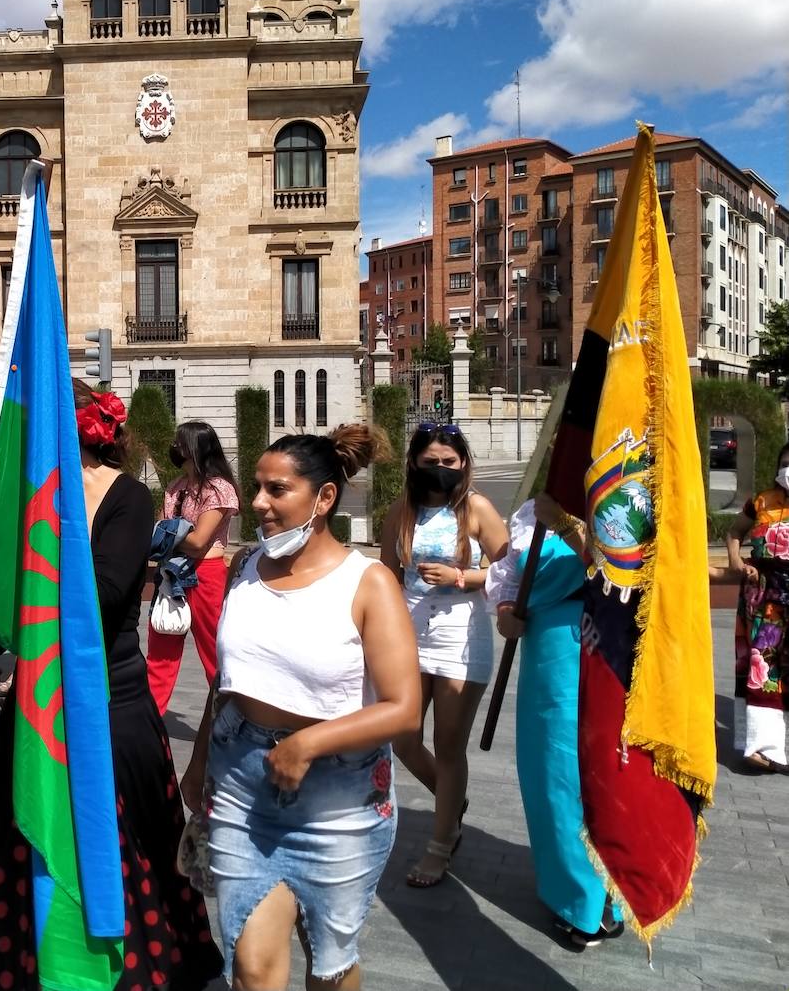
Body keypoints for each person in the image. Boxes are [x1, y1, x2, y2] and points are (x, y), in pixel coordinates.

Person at [0, 380, 223, 990]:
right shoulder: (20, 498)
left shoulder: (125, 498)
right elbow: (8, 601)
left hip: (109, 705)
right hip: (36, 705)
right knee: (24, 846)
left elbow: (103, 595)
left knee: (126, 848)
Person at [180, 426, 419, 990]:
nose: (258, 502)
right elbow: (228, 683)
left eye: (277, 489)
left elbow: (405, 708)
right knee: (251, 965)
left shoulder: (368, 584)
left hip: (339, 799)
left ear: (324, 498)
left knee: (330, 970)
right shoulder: (245, 569)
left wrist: (306, 744)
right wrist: (199, 765)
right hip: (240, 788)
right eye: (258, 487)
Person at [486, 495, 625, 947]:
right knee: (555, 771)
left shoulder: (621, 493)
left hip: (605, 644)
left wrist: (567, 524)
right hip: (549, 653)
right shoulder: (530, 510)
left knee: (606, 771)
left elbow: (621, 566)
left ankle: (611, 893)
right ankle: (577, 896)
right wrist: (507, 611)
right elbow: (508, 578)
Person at [379, 422, 507, 888]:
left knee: (450, 743)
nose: (440, 470)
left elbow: (506, 570)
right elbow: (388, 575)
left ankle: (440, 844)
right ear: (414, 464)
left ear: (464, 465)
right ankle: (452, 806)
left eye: (449, 463)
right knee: (403, 737)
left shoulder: (476, 508)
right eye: (431, 462)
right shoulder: (402, 511)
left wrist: (460, 577)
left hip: (460, 634)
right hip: (409, 632)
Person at [145, 420, 240, 713]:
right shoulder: (176, 486)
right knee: (161, 649)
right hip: (172, 572)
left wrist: (169, 536)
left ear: (197, 447)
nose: (175, 447)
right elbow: (164, 532)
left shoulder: (219, 488)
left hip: (205, 575)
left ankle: (227, 718)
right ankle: (149, 717)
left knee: (214, 649)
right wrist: (171, 536)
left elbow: (198, 542)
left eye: (181, 442)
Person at [724, 443, 789, 772]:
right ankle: (764, 749)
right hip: (763, 596)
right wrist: (737, 561)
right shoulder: (761, 502)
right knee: (763, 666)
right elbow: (734, 532)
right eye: (785, 463)